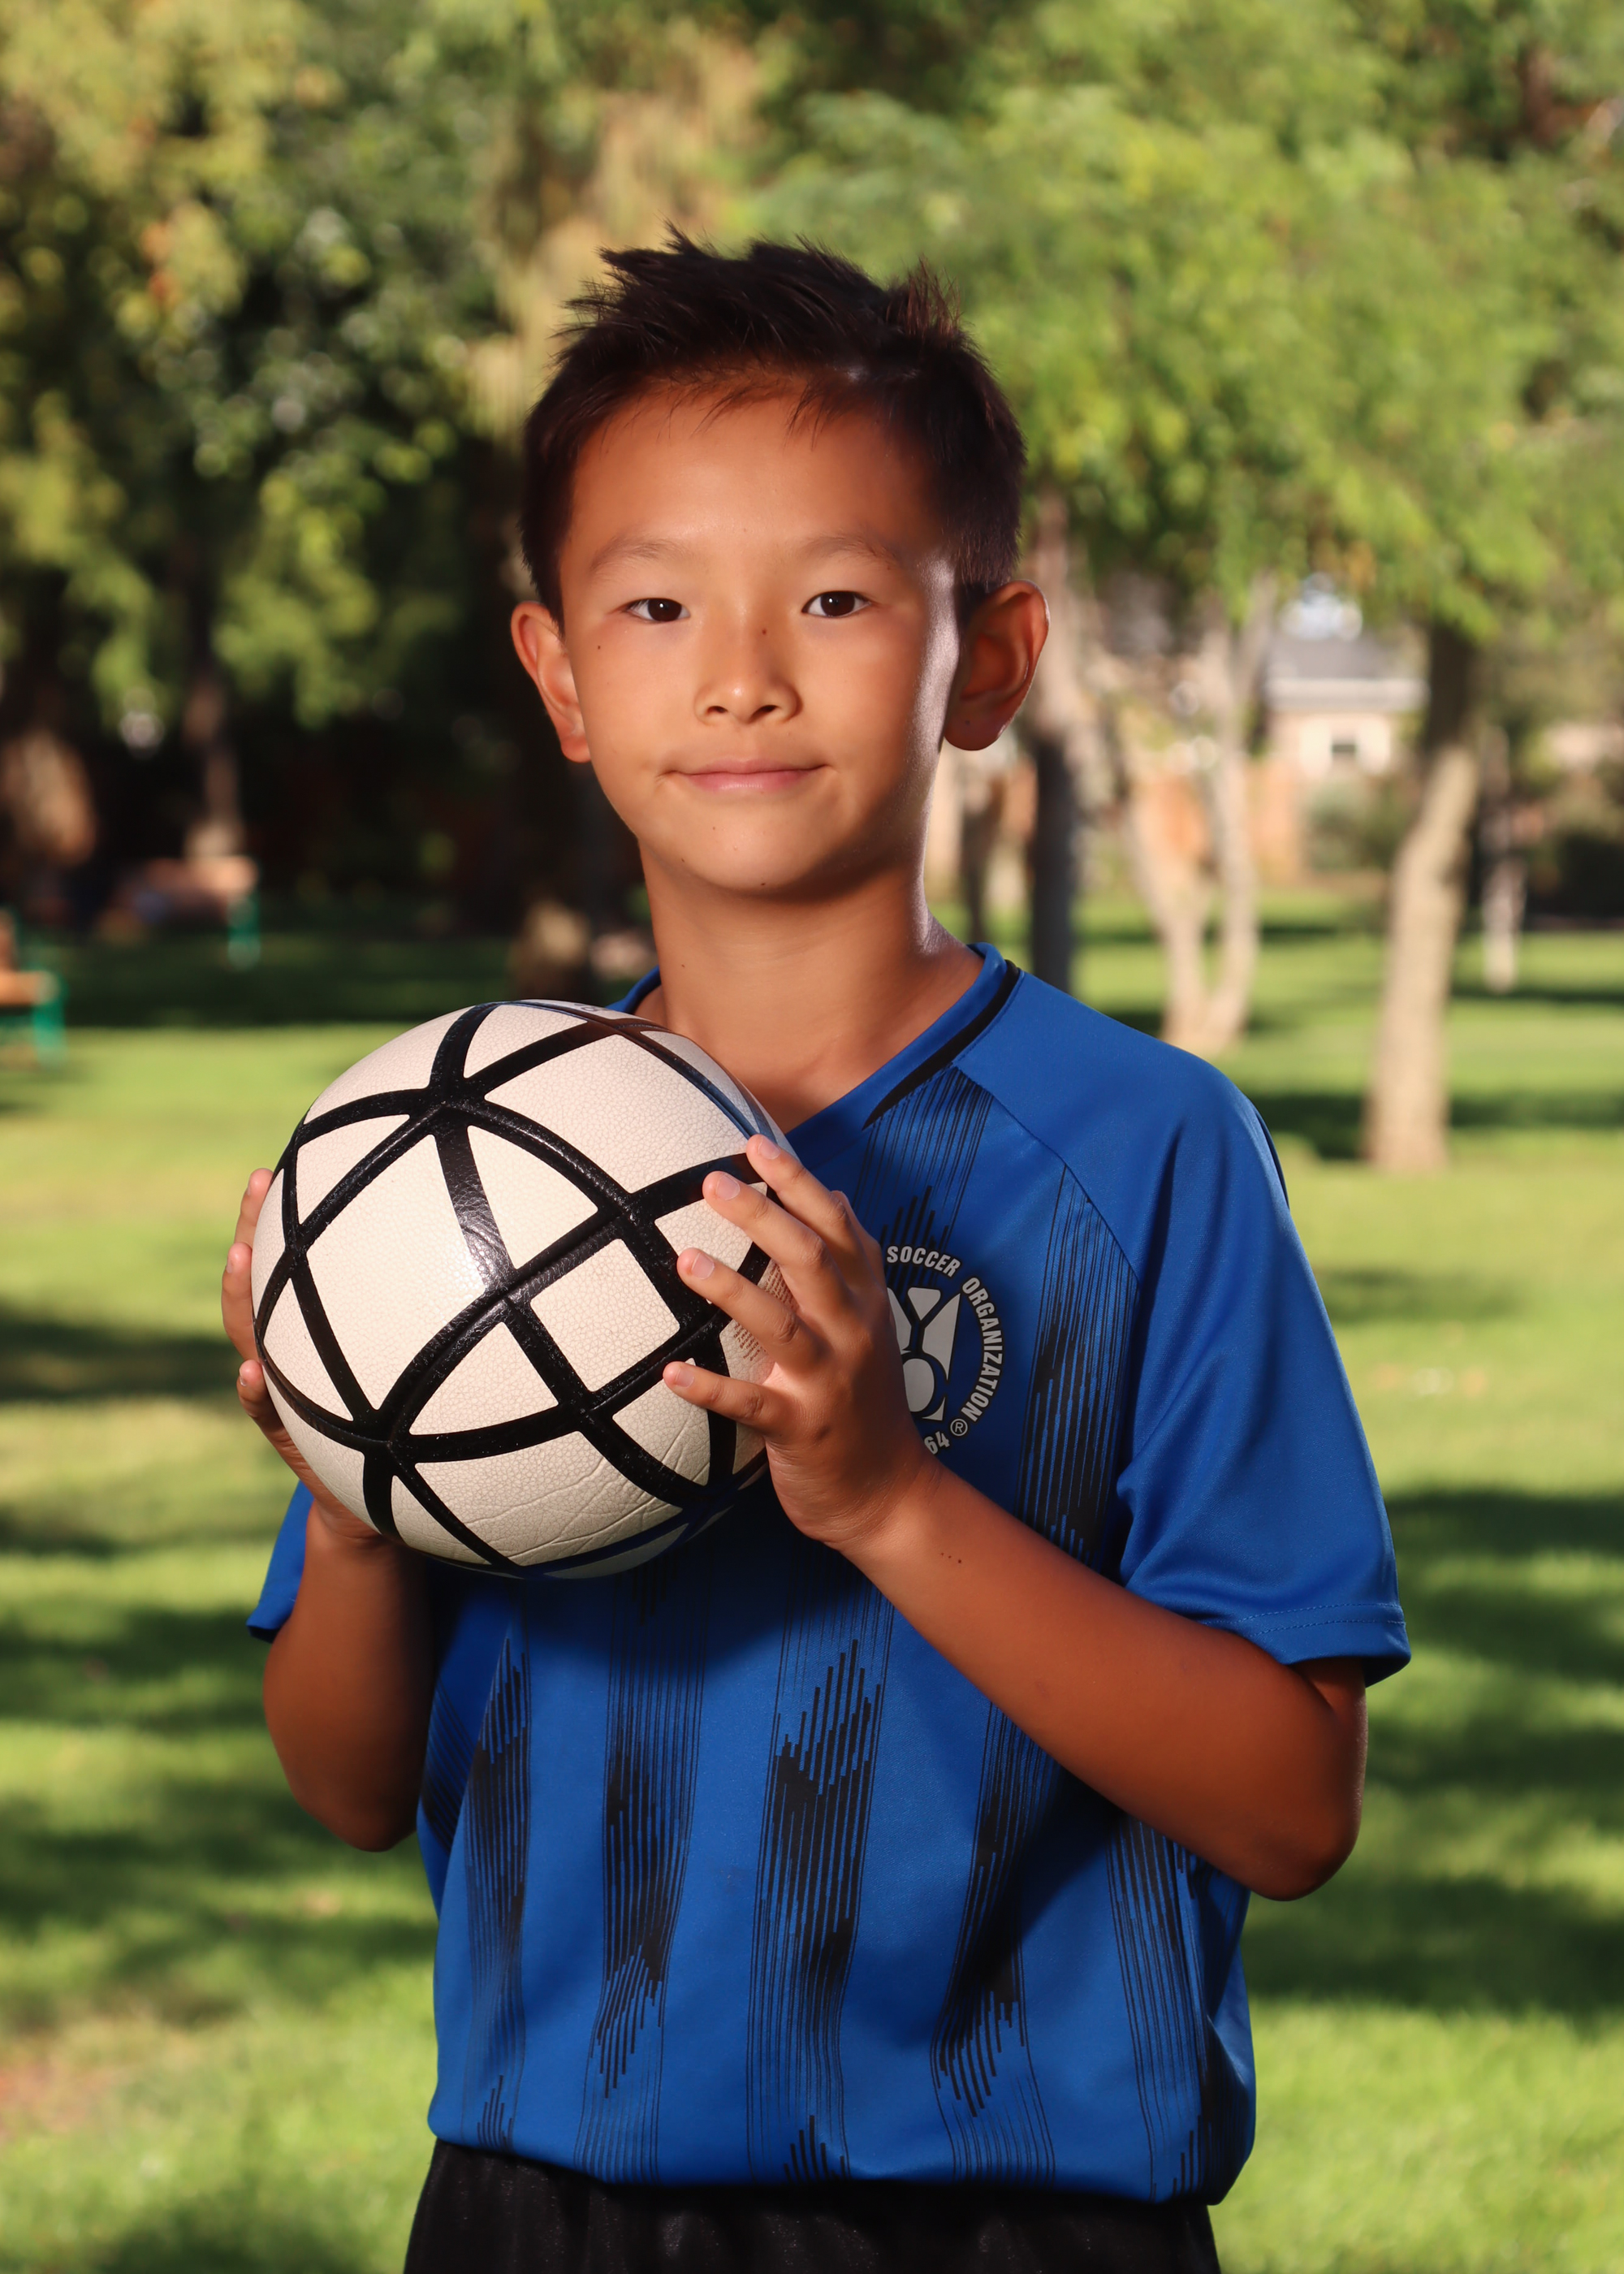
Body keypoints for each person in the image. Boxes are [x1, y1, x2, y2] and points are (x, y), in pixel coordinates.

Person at [222, 236, 1407, 2274]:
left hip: (1021, 2215)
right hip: (540, 2207)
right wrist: (348, 1493)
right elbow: (345, 1783)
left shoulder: (1151, 1152)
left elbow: (1291, 1805)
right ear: (557, 675)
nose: (742, 671)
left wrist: (884, 1500)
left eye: (838, 598)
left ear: (991, 658)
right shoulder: (452, 1184)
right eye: (656, 603)